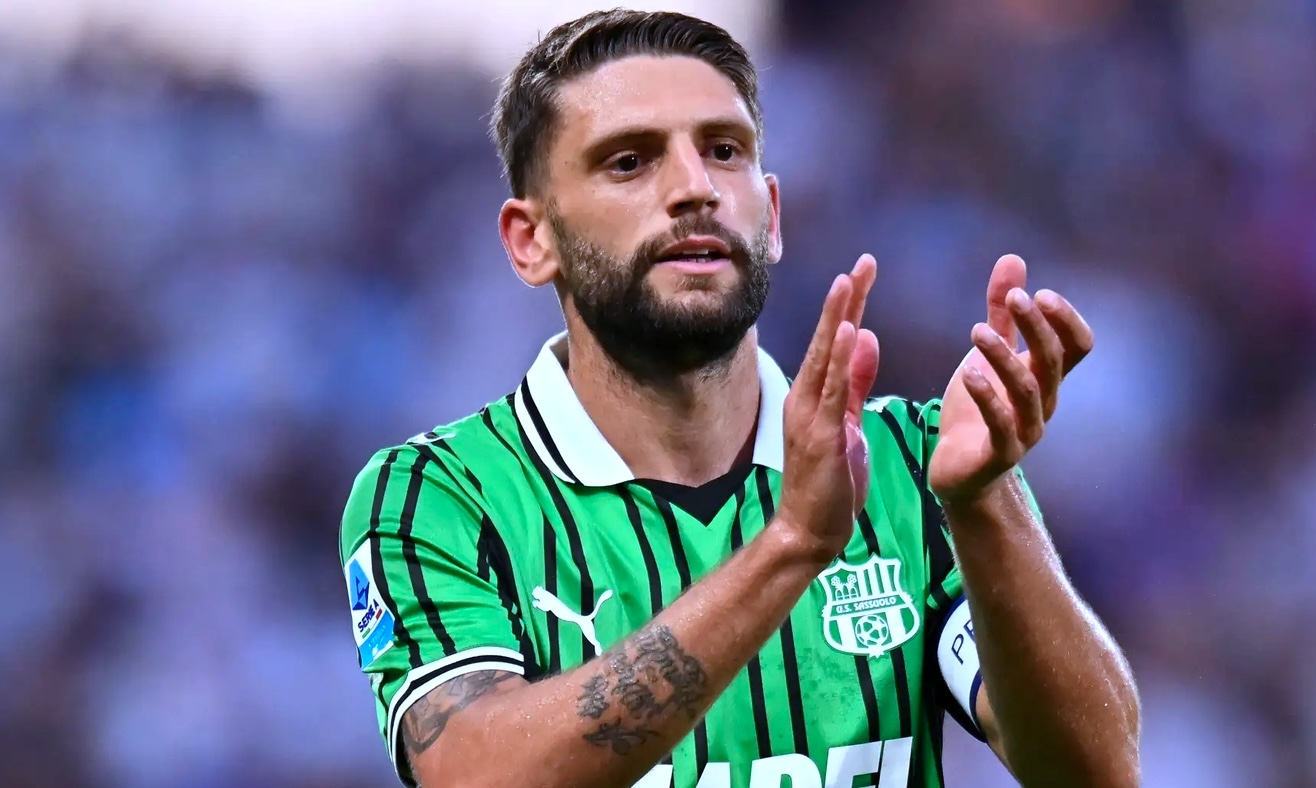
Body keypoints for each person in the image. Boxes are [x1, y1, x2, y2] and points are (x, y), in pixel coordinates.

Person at [338, 9, 1141, 788]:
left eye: (724, 151)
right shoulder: (441, 496)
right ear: (532, 239)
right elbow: (475, 773)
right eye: (630, 161)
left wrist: (982, 501)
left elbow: (1098, 772)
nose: (695, 188)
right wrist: (791, 544)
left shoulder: (907, 468)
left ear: (773, 215)